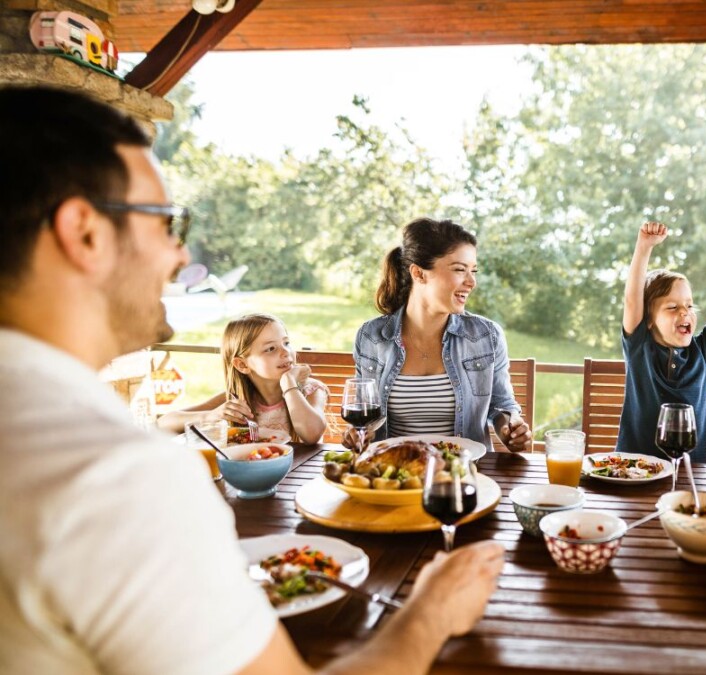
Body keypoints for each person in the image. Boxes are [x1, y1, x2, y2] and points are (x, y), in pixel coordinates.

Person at [0, 85, 504, 675]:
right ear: (84, 233)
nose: (178, 256)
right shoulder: (116, 477)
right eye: (166, 222)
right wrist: (434, 611)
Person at [344, 218, 531, 453]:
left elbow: (501, 406)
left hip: (464, 475)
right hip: (394, 477)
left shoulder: (486, 336)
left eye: (473, 271)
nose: (472, 282)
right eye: (460, 270)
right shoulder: (372, 337)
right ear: (419, 274)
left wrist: (510, 428)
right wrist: (359, 433)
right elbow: (365, 415)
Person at [618, 221, 706, 462]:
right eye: (673, 307)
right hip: (636, 469)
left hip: (698, 470)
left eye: (689, 305)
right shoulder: (639, 347)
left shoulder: (703, 349)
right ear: (648, 320)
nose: (684, 312)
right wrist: (644, 247)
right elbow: (632, 300)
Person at [157, 313, 329, 444]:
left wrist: (289, 385)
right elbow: (163, 424)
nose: (285, 352)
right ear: (242, 365)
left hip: (301, 479)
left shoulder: (311, 390)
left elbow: (311, 435)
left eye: (286, 343)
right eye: (270, 349)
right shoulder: (238, 398)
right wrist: (210, 416)